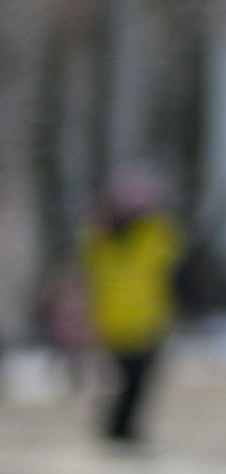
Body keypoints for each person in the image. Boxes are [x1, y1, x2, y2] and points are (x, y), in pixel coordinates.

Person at [80, 173, 185, 448]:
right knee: (131, 380)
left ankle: (120, 427)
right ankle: (119, 427)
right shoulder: (148, 235)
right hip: (131, 317)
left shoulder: (108, 235)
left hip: (135, 317)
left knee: (132, 380)